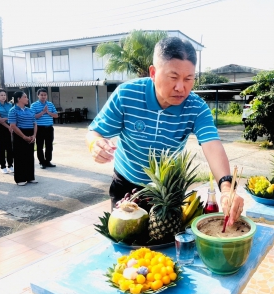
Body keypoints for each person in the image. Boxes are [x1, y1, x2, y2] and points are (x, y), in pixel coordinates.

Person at [86, 37, 244, 226]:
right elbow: (94, 132)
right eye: (173, 77)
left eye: (188, 79)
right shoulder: (126, 94)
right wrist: (94, 145)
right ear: (153, 73)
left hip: (167, 190)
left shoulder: (196, 107)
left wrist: (226, 189)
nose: (181, 88)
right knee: (127, 245)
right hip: (127, 185)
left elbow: (212, 145)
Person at [8, 91, 38, 186]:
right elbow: (13, 126)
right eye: (25, 97)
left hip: (30, 133)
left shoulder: (30, 110)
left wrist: (34, 135)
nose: (27, 99)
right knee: (20, 156)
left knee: (29, 156)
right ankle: (20, 178)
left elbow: (35, 123)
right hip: (19, 134)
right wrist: (24, 136)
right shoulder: (13, 110)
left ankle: (30, 177)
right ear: (18, 99)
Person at [30, 88, 58, 169]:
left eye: (45, 95)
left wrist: (48, 112)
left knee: (49, 145)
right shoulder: (34, 105)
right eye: (41, 95)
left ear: (47, 96)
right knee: (40, 146)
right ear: (38, 95)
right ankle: (42, 162)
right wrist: (42, 112)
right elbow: (33, 116)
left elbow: (56, 115)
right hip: (39, 128)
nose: (43, 96)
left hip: (49, 128)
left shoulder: (50, 104)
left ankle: (48, 161)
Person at [0, 88, 14, 174]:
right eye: (1, 95)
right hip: (0, 128)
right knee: (1, 147)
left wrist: (6, 119)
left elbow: (12, 116)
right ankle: (3, 166)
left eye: (4, 95)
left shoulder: (9, 105)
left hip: (10, 126)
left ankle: (10, 164)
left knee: (9, 147)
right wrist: (8, 127)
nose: (3, 97)